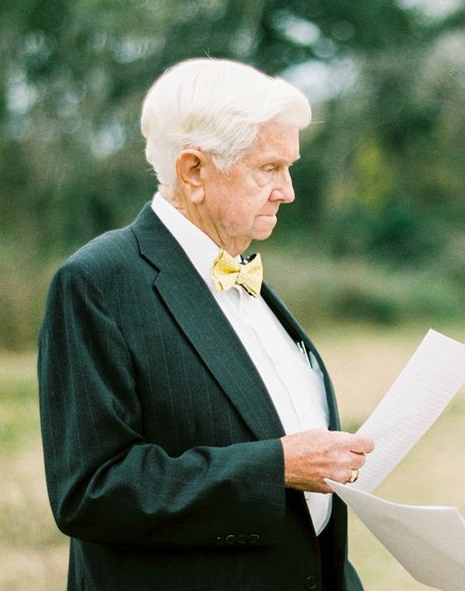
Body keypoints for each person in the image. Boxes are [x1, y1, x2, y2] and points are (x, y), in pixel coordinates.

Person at [38, 58, 373, 590]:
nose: (287, 190)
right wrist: (275, 467)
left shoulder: (248, 276)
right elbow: (91, 491)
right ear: (193, 171)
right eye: (269, 169)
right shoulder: (97, 282)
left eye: (290, 168)